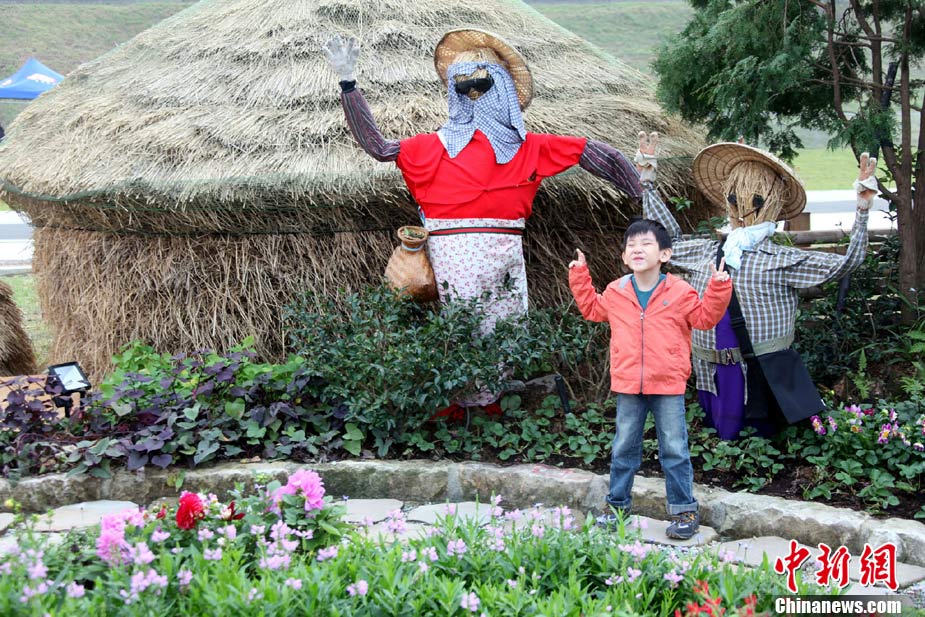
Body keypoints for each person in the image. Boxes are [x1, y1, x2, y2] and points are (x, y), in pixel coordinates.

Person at [322, 30, 641, 412]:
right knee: (462, 324)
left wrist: (641, 190)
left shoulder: (529, 147)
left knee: (503, 325)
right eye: (463, 87)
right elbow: (378, 146)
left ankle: (488, 401)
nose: (473, 94)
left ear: (501, 89)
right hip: (452, 254)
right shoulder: (430, 147)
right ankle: (464, 403)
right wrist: (348, 84)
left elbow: (592, 152)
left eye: (481, 85)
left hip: (503, 250)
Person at [636, 132, 878, 439]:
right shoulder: (708, 252)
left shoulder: (781, 260)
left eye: (754, 199)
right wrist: (648, 183)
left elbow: (846, 264)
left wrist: (862, 210)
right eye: (734, 197)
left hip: (759, 374)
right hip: (710, 374)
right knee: (717, 437)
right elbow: (666, 243)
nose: (741, 205)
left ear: (771, 201)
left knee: (756, 438)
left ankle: (757, 456)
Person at [568, 218, 732, 539]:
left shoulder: (679, 291)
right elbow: (592, 310)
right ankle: (616, 508)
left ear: (664, 255)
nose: (637, 249)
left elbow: (704, 318)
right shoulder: (617, 291)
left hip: (668, 384)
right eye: (631, 245)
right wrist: (579, 275)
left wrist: (719, 286)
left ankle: (684, 512)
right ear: (624, 257)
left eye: (646, 244)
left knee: (674, 450)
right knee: (623, 449)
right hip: (629, 384)